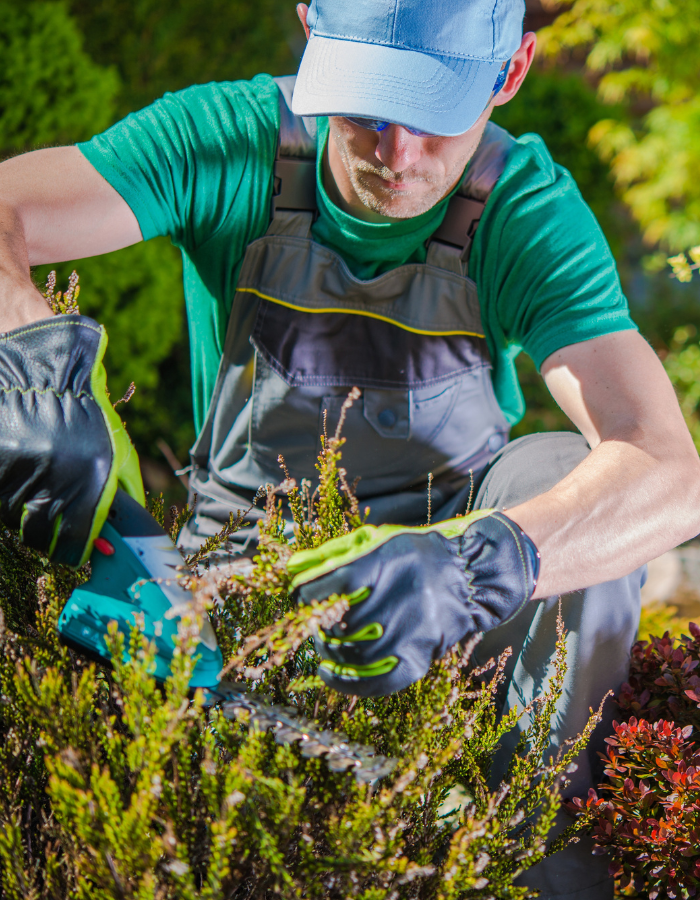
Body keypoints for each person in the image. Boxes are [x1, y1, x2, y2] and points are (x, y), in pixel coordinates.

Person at [0, 0, 699, 895]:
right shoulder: (231, 141)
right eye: (368, 104)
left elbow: (670, 472)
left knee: (565, 467)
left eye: (433, 111)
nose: (395, 153)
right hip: (238, 577)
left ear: (510, 74)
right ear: (308, 30)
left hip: (446, 606)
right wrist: (30, 362)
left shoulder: (523, 211)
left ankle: (546, 859)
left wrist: (475, 567)